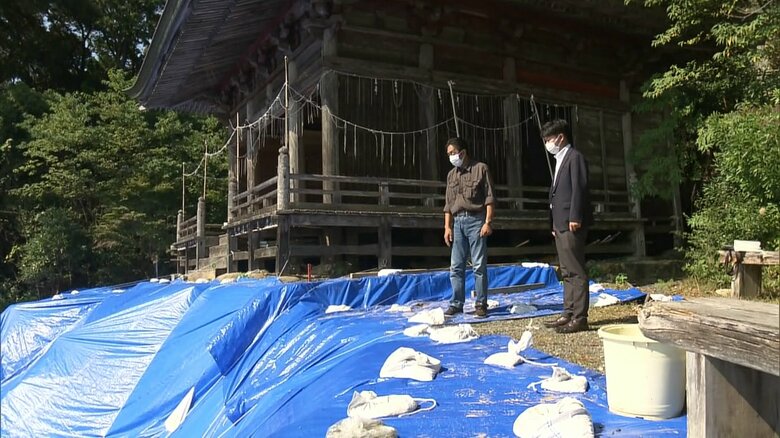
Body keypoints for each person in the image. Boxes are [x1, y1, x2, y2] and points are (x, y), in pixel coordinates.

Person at [541, 119, 593, 334]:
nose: (547, 143)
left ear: (560, 137)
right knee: (566, 270)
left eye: (549, 139)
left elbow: (579, 188)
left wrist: (575, 216)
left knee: (576, 270)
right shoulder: (559, 159)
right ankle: (568, 312)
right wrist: (553, 222)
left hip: (571, 221)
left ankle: (580, 317)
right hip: (559, 221)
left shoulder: (574, 157)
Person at [442, 137, 496, 318]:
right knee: (456, 266)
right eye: (448, 154)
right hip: (457, 222)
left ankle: (481, 303)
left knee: (478, 265)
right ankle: (456, 303)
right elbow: (448, 205)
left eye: (452, 153)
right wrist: (447, 227)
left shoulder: (481, 168)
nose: (451, 156)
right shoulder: (451, 175)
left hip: (476, 220)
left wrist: (488, 222)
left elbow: (489, 198)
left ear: (462, 152)